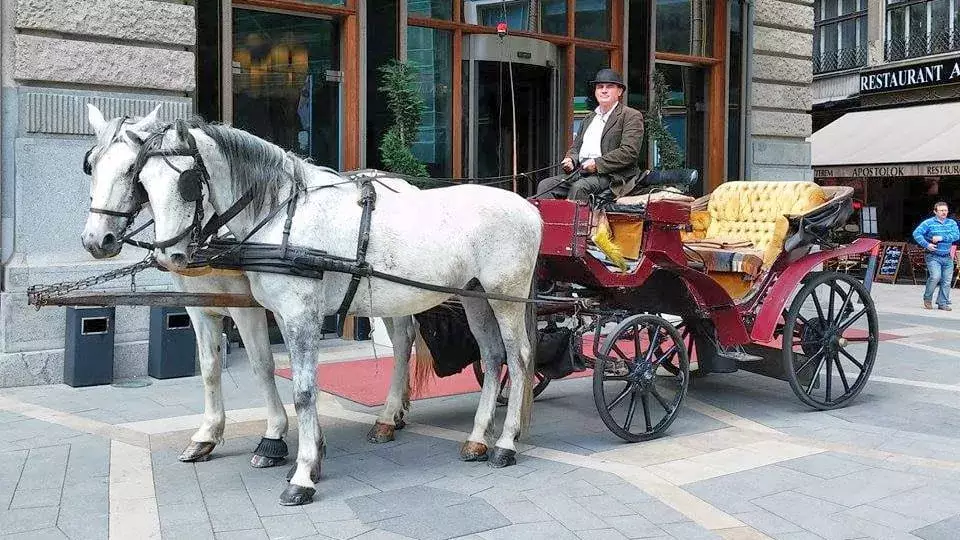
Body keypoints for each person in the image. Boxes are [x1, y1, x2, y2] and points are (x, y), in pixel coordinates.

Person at [535, 68, 644, 201]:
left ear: (619, 91)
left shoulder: (630, 115)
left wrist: (597, 164)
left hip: (612, 176)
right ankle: (549, 222)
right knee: (546, 185)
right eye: (600, 87)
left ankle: (573, 222)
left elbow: (629, 152)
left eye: (609, 87)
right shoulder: (589, 118)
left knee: (580, 188)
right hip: (582, 172)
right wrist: (571, 159)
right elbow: (576, 147)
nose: (604, 90)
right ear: (595, 91)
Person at [912, 201, 960, 310]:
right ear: (935, 211)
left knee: (947, 280)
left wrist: (941, 238)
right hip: (933, 255)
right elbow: (916, 233)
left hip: (947, 256)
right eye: (941, 210)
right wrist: (927, 244)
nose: (944, 212)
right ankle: (927, 298)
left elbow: (956, 236)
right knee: (935, 277)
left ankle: (942, 303)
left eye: (946, 210)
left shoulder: (952, 223)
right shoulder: (928, 223)